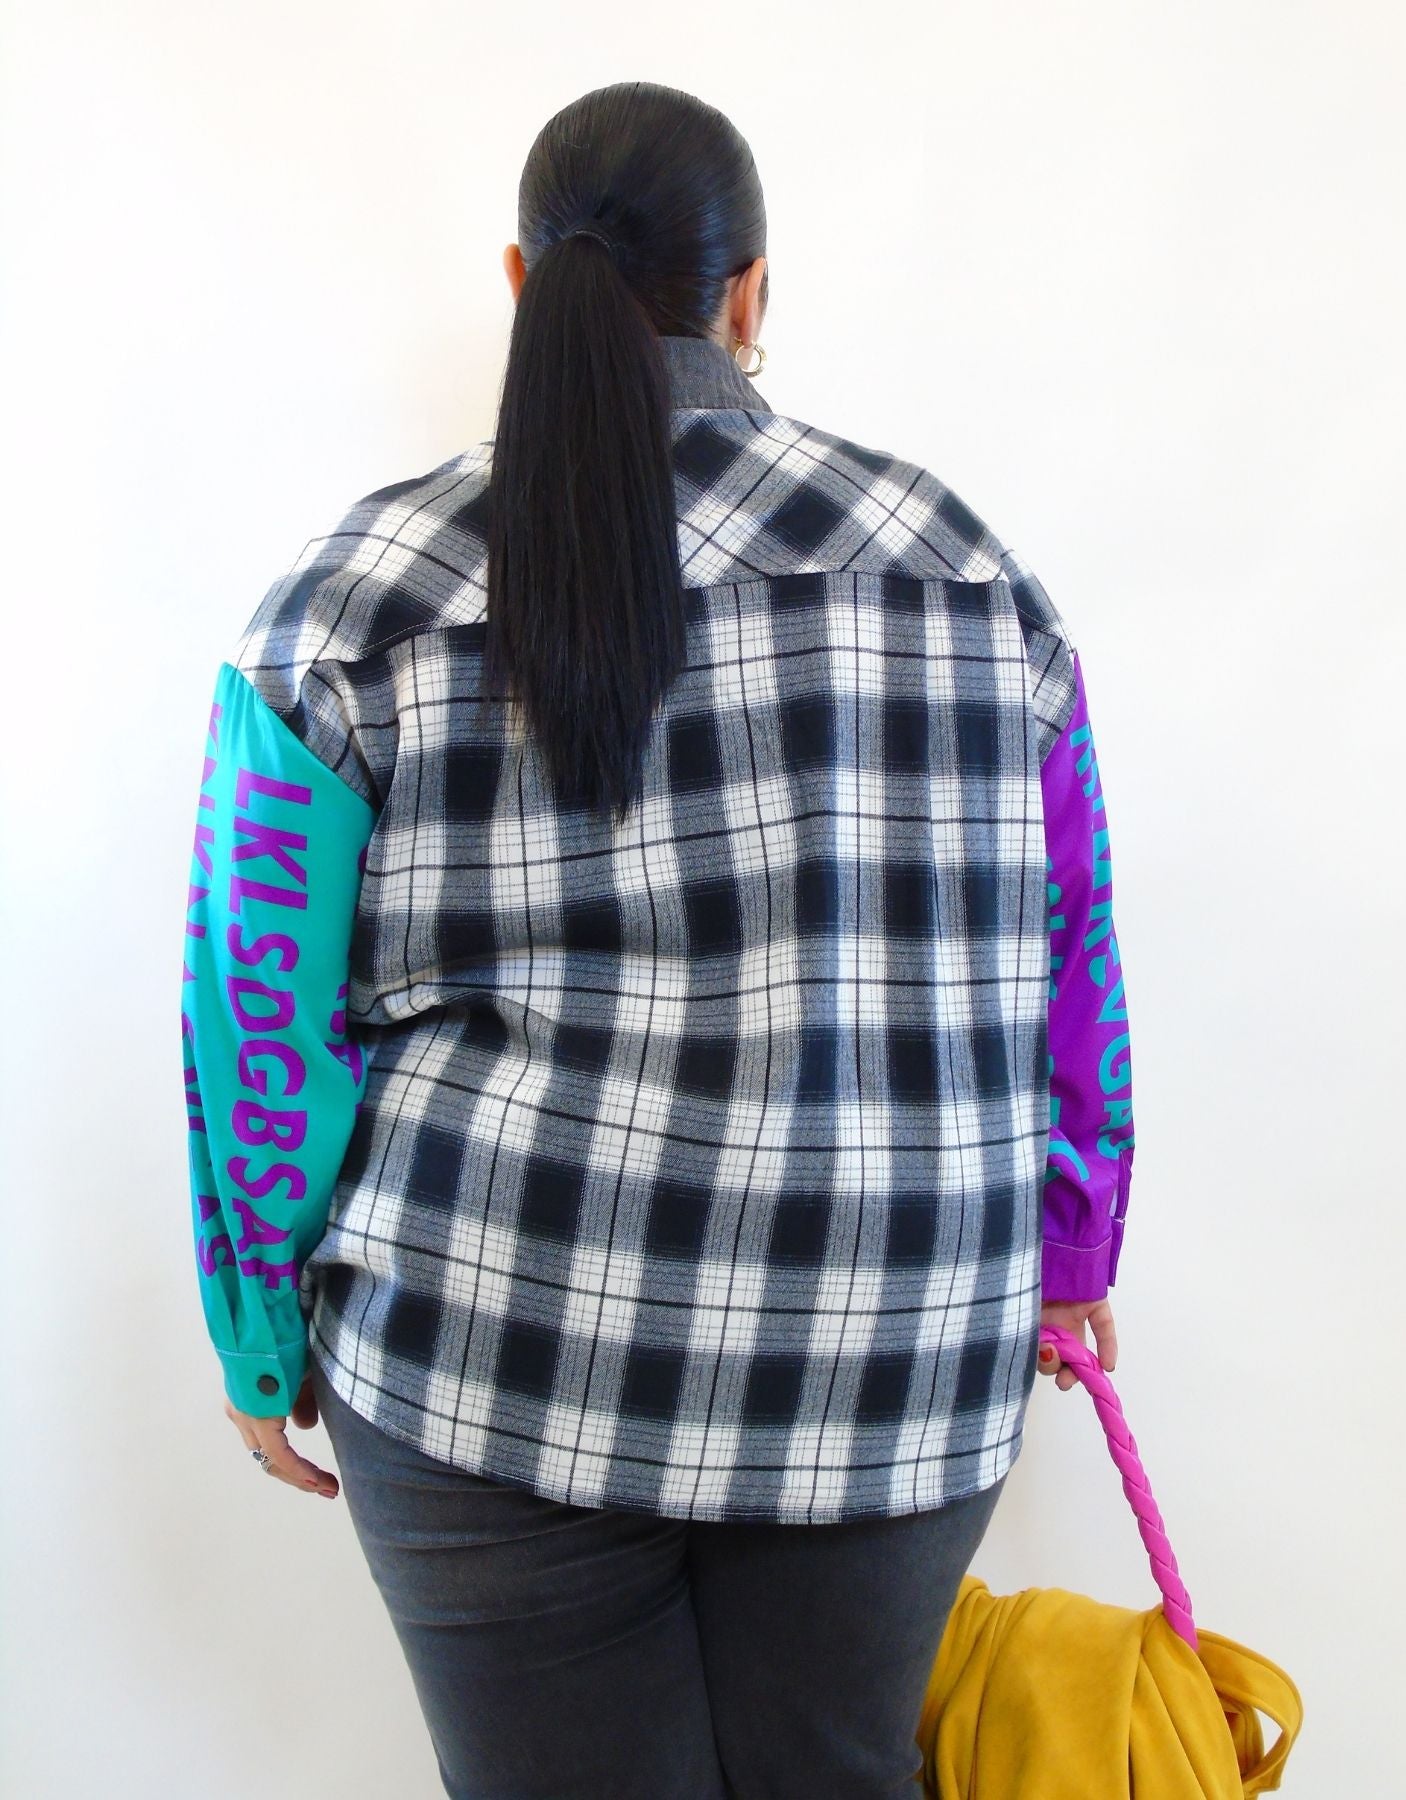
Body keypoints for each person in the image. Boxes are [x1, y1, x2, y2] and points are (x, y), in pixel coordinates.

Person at [179, 78, 1132, 1800]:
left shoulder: (352, 592)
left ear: (521, 281)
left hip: (490, 1361)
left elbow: (254, 1010)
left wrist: (257, 1325)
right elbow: (1070, 948)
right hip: (892, 1356)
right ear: (751, 291)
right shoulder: (967, 571)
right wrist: (1075, 1242)